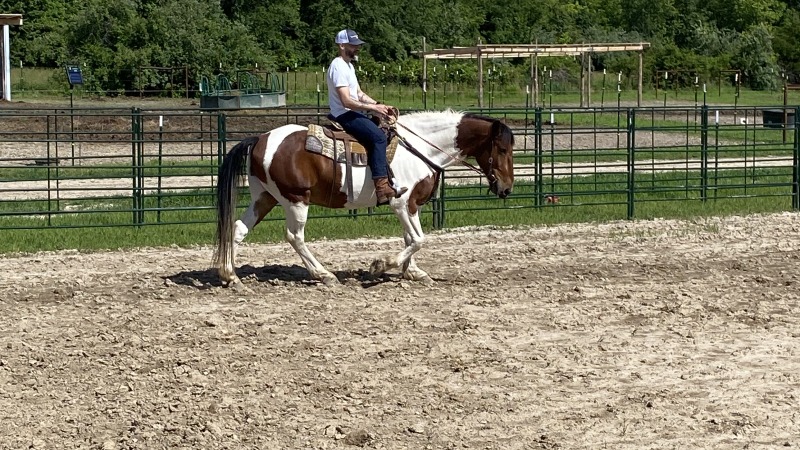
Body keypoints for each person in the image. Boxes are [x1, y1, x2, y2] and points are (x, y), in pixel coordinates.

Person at [326, 29, 408, 205]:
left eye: (358, 46)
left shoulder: (348, 66)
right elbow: (347, 101)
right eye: (353, 45)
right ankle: (382, 187)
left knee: (381, 130)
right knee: (378, 138)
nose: (357, 48)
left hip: (351, 112)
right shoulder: (338, 67)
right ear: (341, 45)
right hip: (344, 114)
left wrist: (380, 106)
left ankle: (386, 179)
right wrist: (373, 108)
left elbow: (359, 94)